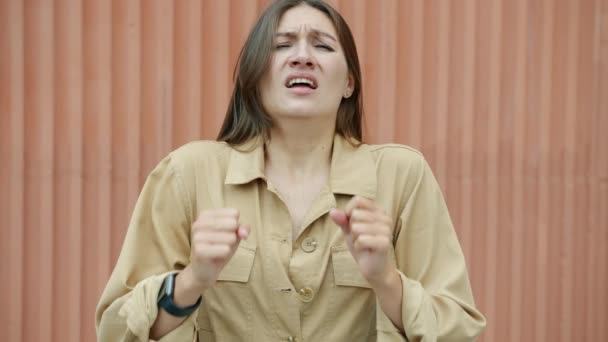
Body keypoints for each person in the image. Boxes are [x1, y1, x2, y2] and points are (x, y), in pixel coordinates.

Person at [95, 0, 486, 340]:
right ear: (255, 76)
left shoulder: (402, 176)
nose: (302, 56)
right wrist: (191, 282)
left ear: (349, 82)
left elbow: (459, 330)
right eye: (282, 45)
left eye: (322, 45)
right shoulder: (188, 174)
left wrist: (387, 281)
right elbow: (115, 330)